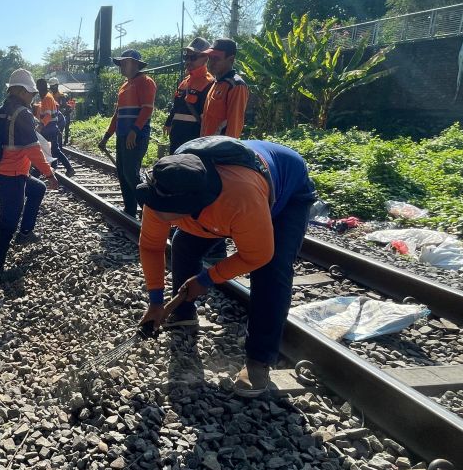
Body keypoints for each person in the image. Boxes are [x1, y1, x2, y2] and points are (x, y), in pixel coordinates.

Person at [135, 137, 317, 397]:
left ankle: (259, 361)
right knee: (183, 244)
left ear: (193, 208)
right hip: (224, 196)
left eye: (170, 216)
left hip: (286, 190)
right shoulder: (163, 189)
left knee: (272, 271)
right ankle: (183, 313)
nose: (157, 216)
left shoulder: (238, 199)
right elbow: (151, 246)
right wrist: (155, 301)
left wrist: (207, 278)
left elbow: (257, 255)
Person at [0, 69, 58, 283]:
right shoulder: (22, 114)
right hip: (12, 178)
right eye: (31, 93)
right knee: (7, 224)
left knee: (37, 189)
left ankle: (25, 233)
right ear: (21, 91)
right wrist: (50, 174)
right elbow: (33, 150)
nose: (33, 97)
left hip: (1, 175)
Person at [97, 49, 157, 218]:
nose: (121, 66)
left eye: (125, 63)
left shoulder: (146, 82)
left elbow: (147, 109)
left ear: (136, 64)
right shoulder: (124, 86)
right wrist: (107, 136)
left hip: (136, 137)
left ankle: (149, 211)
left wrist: (134, 131)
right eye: (121, 63)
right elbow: (118, 114)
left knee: (131, 173)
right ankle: (130, 209)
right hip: (122, 136)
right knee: (122, 173)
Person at [163, 36, 216, 152]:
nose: (188, 61)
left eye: (193, 57)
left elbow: (208, 118)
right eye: (186, 57)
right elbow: (176, 106)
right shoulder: (184, 82)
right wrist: (168, 122)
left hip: (194, 141)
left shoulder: (210, 83)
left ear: (205, 58)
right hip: (176, 137)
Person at [198, 38, 249, 139]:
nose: (211, 62)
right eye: (210, 58)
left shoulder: (236, 86)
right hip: (206, 145)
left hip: (219, 149)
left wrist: (226, 152)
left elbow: (234, 126)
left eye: (216, 58)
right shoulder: (216, 82)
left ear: (230, 59)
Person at [40, 104, 74, 175]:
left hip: (52, 129)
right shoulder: (45, 105)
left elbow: (47, 119)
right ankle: (54, 166)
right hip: (52, 128)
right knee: (52, 149)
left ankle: (69, 168)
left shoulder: (44, 106)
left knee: (55, 150)